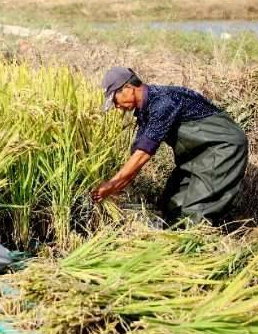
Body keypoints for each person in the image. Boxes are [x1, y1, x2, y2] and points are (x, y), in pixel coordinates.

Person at [91, 67, 248, 225]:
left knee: (195, 212)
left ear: (128, 88)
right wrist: (118, 186)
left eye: (115, 100)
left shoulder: (163, 102)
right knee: (171, 205)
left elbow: (143, 154)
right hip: (197, 154)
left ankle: (200, 243)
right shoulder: (145, 109)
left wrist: (112, 184)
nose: (116, 106)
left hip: (223, 147)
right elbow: (137, 154)